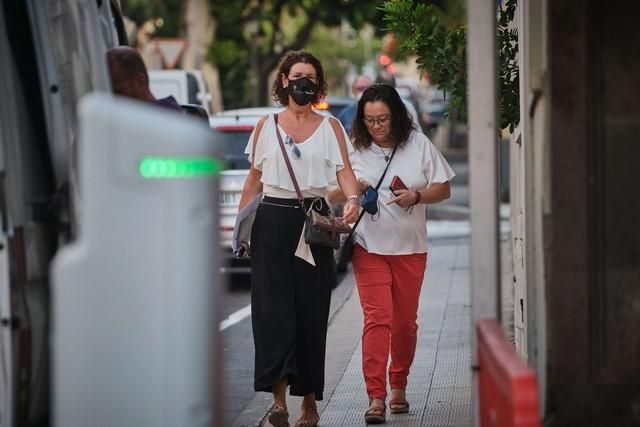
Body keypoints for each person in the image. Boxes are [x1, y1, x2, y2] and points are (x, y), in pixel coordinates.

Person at [237, 50, 361, 427]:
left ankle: (309, 402)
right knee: (273, 315)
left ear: (318, 83)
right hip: (272, 222)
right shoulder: (266, 125)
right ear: (284, 81)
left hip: (314, 223)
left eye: (310, 76)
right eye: (297, 76)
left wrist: (353, 199)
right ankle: (278, 403)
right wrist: (243, 229)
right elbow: (254, 181)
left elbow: (346, 174)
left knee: (310, 313)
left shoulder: (331, 128)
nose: (303, 83)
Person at [331, 84, 455, 424]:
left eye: (383, 118)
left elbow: (444, 188)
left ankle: (398, 385)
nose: (377, 126)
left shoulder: (418, 145)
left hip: (411, 249)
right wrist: (356, 192)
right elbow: (333, 187)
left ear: (397, 116)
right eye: (369, 120)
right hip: (369, 247)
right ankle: (376, 396)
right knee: (377, 319)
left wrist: (416, 196)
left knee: (404, 324)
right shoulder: (355, 148)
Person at [106, 46, 182, 111]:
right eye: (107, 92)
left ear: (140, 82)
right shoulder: (169, 114)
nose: (112, 98)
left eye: (118, 92)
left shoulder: (164, 118)